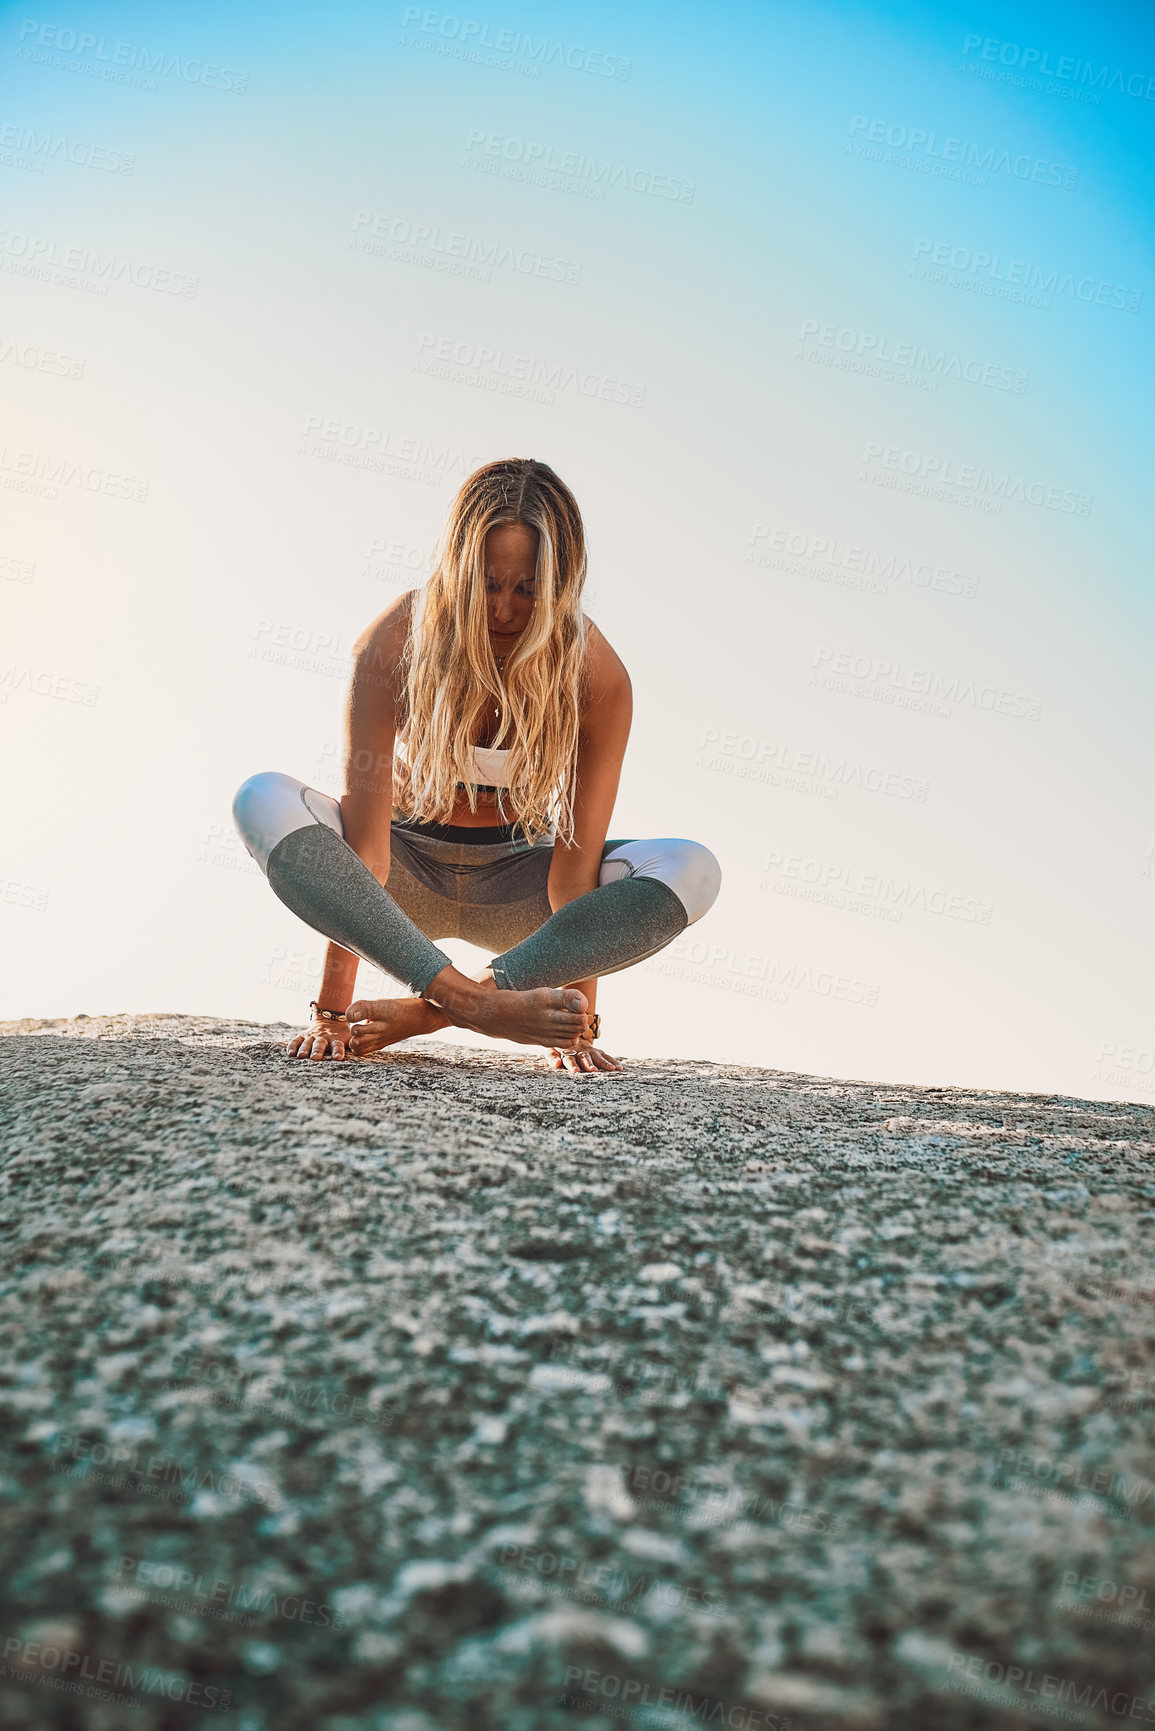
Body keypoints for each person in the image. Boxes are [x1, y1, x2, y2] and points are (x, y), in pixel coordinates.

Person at [232, 457, 721, 1075]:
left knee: (693, 868)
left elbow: (572, 877)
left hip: (522, 887)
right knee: (260, 798)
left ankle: (440, 1009)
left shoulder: (597, 675)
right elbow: (367, 854)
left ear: (560, 586)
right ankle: (474, 1003)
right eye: (487, 584)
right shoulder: (395, 639)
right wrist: (332, 1015)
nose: (505, 610)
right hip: (399, 880)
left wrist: (574, 1029)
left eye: (528, 589)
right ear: (458, 571)